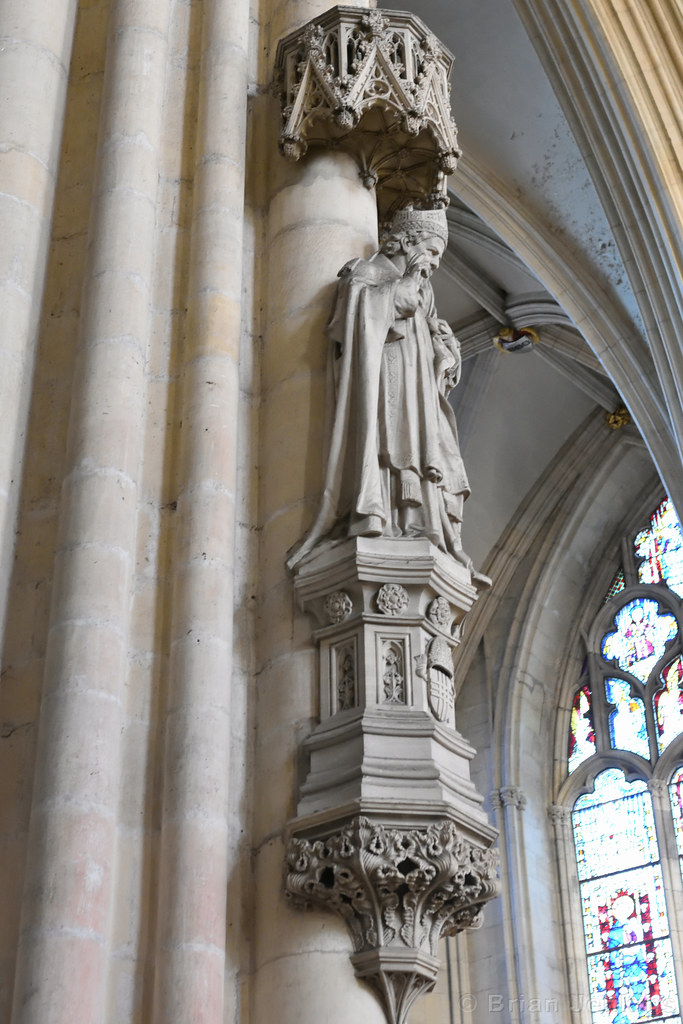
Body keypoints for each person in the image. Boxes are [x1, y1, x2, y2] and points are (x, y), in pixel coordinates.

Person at [288, 206, 471, 570]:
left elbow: (430, 348)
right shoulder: (366, 273)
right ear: (406, 240)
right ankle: (381, 516)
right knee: (387, 445)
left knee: (426, 452)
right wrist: (394, 294)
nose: (434, 263)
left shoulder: (424, 293)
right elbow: (350, 325)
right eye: (431, 251)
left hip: (417, 394)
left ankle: (420, 524)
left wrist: (448, 354)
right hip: (384, 383)